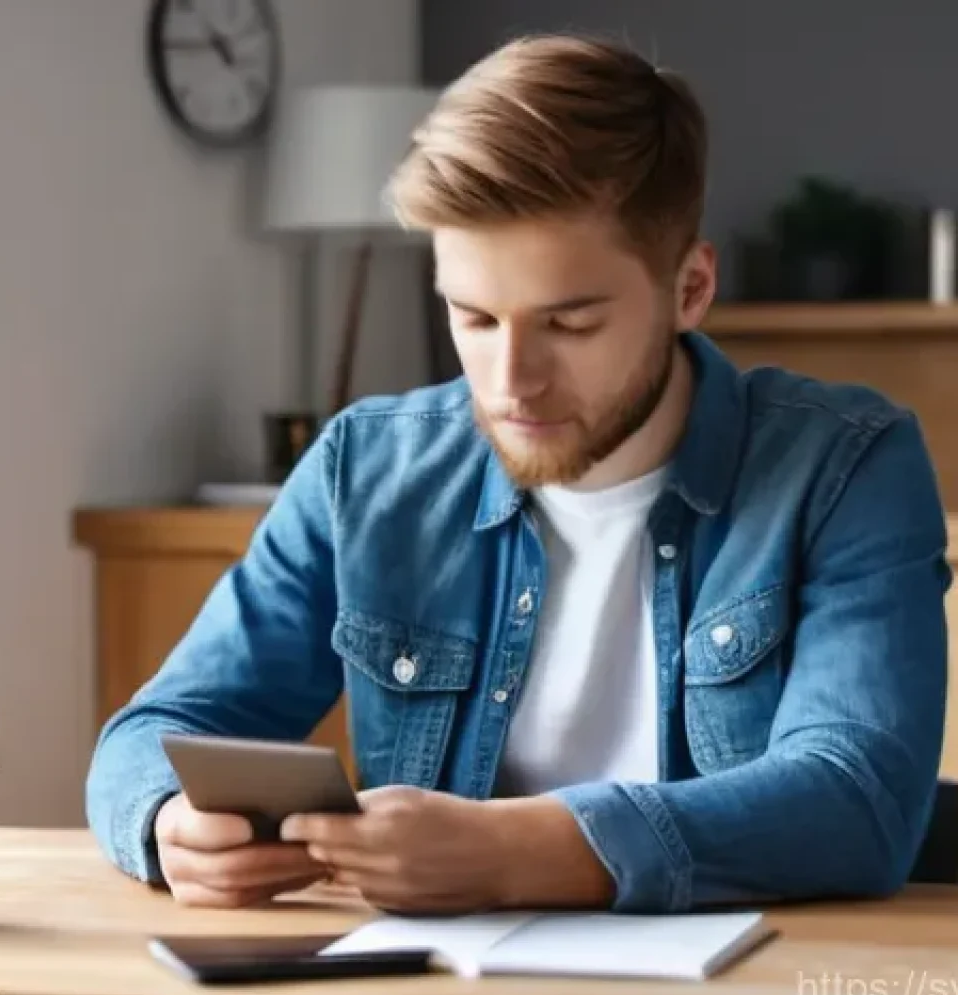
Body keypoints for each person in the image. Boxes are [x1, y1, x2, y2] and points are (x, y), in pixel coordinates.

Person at [85, 34, 951, 914]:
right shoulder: (365, 471)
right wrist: (168, 824)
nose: (510, 382)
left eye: (569, 325)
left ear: (689, 289)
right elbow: (151, 736)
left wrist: (512, 851)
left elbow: (858, 799)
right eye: (474, 317)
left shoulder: (848, 466)